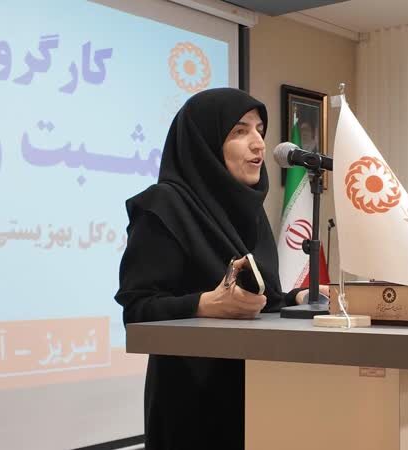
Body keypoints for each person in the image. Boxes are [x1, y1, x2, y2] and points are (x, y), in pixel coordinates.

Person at [115, 87, 326, 449]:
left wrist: (301, 297)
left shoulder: (250, 211)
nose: (259, 144)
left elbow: (260, 299)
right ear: (205, 144)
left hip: (259, 393)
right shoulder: (164, 206)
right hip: (191, 405)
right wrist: (204, 304)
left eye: (260, 130)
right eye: (240, 131)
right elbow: (137, 309)